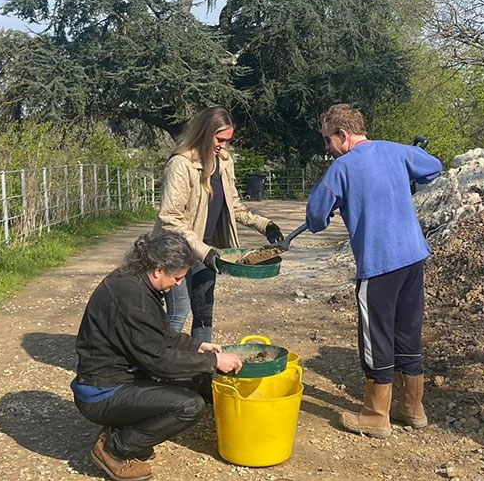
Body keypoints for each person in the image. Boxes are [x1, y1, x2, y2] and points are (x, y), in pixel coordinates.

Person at [305, 103, 443, 438]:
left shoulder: (342, 168)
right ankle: (413, 408)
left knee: (375, 336)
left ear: (343, 134)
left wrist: (334, 206)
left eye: (327, 140)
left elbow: (315, 217)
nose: (328, 148)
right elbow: (433, 168)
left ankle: (376, 415)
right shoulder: (396, 151)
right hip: (413, 257)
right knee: (407, 330)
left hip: (379, 263)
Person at [71, 230, 244, 481]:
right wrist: (213, 362)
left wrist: (198, 346)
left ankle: (126, 428)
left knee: (194, 377)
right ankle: (114, 448)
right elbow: (160, 361)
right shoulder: (135, 300)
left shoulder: (134, 280)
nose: (179, 284)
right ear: (158, 270)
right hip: (102, 391)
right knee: (189, 405)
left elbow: (161, 334)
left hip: (117, 377)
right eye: (177, 278)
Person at [154, 106, 284, 338]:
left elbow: (234, 205)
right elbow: (170, 219)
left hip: (205, 250)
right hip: (175, 250)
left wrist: (265, 225)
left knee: (204, 311)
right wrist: (205, 252)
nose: (223, 145)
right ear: (205, 132)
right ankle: (162, 358)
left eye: (227, 140)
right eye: (220, 139)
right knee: (179, 310)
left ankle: (202, 359)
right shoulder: (181, 164)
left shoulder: (223, 162)